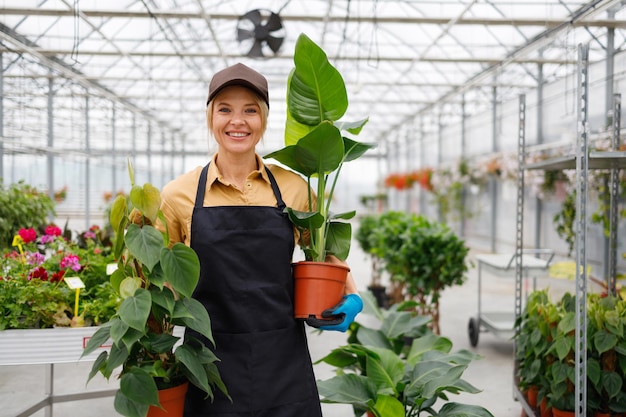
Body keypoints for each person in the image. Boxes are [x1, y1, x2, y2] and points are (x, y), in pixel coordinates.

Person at [159, 62, 363, 417]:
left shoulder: (295, 188)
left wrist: (351, 294)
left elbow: (324, 252)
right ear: (210, 118)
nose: (237, 121)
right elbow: (161, 281)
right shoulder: (179, 195)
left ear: (263, 120)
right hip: (208, 364)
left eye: (250, 110)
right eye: (225, 109)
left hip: (282, 360)